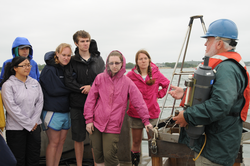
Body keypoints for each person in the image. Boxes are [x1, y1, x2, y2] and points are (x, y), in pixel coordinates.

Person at [168, 19, 250, 166]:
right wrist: (186, 92)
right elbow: (217, 93)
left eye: (208, 40)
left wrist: (187, 116)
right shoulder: (227, 66)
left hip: (216, 149)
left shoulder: (226, 69)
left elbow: (221, 104)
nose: (205, 44)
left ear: (218, 43)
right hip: (216, 144)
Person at [84, 50, 153, 166]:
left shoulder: (127, 82)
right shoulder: (100, 78)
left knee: (110, 155)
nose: (114, 66)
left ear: (122, 63)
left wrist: (146, 121)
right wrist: (89, 120)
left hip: (113, 124)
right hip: (96, 122)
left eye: (117, 63)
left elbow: (139, 102)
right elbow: (90, 100)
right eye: (111, 63)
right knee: (98, 156)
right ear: (107, 64)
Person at [64, 30, 105, 166]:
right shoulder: (72, 61)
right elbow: (68, 81)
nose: (85, 43)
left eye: (87, 40)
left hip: (95, 105)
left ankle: (97, 164)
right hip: (77, 104)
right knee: (78, 138)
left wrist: (91, 87)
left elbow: (104, 79)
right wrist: (84, 88)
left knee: (95, 138)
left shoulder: (98, 60)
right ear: (76, 43)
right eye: (82, 41)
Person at [126, 49, 171, 165]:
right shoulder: (130, 75)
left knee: (153, 142)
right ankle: (135, 163)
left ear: (149, 60)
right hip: (135, 114)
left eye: (145, 58)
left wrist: (158, 94)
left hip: (152, 114)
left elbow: (168, 85)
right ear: (137, 62)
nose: (143, 61)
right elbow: (122, 90)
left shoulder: (156, 73)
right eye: (140, 59)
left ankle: (155, 164)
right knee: (136, 142)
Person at [0, 56, 43, 166]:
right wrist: (28, 123)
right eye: (23, 65)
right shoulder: (8, 85)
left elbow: (39, 103)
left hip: (35, 127)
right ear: (15, 68)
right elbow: (12, 108)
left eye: (28, 65)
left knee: (34, 157)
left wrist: (33, 122)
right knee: (18, 159)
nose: (27, 68)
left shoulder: (35, 83)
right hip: (16, 129)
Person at [39, 43, 72, 166]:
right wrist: (72, 88)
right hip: (52, 111)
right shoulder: (49, 69)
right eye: (63, 55)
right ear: (57, 54)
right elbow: (54, 90)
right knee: (53, 142)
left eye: (68, 55)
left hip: (66, 111)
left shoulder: (66, 68)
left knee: (61, 142)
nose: (66, 58)